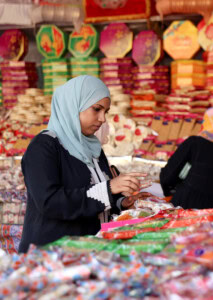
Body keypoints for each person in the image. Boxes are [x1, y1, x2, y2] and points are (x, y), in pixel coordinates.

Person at [19, 75, 145, 253]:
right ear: (74, 105)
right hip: (53, 256)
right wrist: (109, 189)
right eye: (96, 109)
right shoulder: (44, 147)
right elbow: (49, 202)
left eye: (105, 112)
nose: (102, 119)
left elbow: (95, 193)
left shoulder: (93, 147)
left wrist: (122, 203)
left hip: (88, 251)